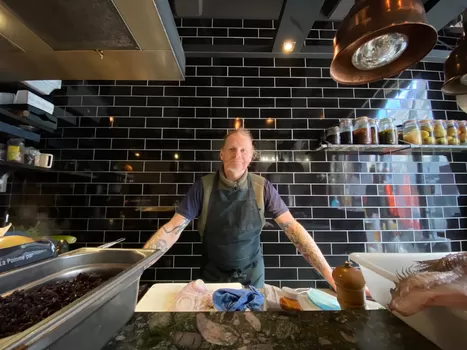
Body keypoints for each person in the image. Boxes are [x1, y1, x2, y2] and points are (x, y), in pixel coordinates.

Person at [144, 128, 336, 289]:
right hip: (212, 280)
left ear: (252, 156)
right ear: (222, 153)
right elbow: (171, 230)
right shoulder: (203, 187)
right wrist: (136, 269)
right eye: (232, 149)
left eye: (244, 150)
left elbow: (293, 230)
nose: (237, 154)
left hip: (252, 280)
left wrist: (329, 274)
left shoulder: (263, 188)